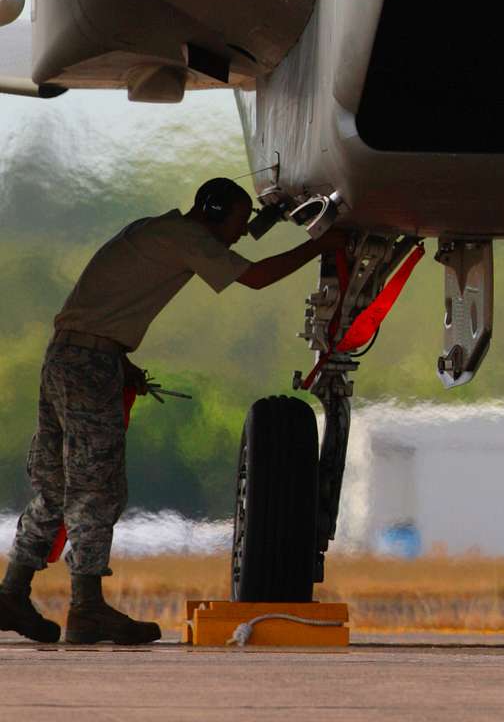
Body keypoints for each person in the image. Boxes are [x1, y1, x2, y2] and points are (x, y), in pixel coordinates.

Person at [0, 177, 345, 645]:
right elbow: (257, 277)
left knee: (55, 487)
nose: (241, 234)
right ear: (214, 211)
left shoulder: (156, 230)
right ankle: (85, 609)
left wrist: (118, 363)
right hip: (88, 365)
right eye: (239, 223)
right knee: (94, 487)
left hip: (67, 356)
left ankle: (12, 593)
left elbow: (97, 306)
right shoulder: (187, 238)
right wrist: (324, 245)